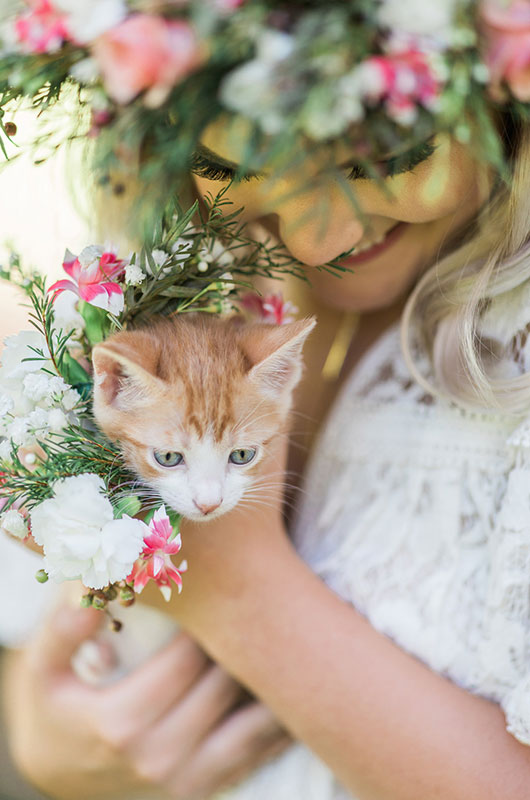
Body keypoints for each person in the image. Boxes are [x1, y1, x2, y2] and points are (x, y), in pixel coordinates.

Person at [3, 2, 530, 798]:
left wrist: (234, 585)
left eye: (386, 157)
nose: (315, 242)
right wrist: (47, 743)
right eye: (233, 171)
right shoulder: (200, 316)